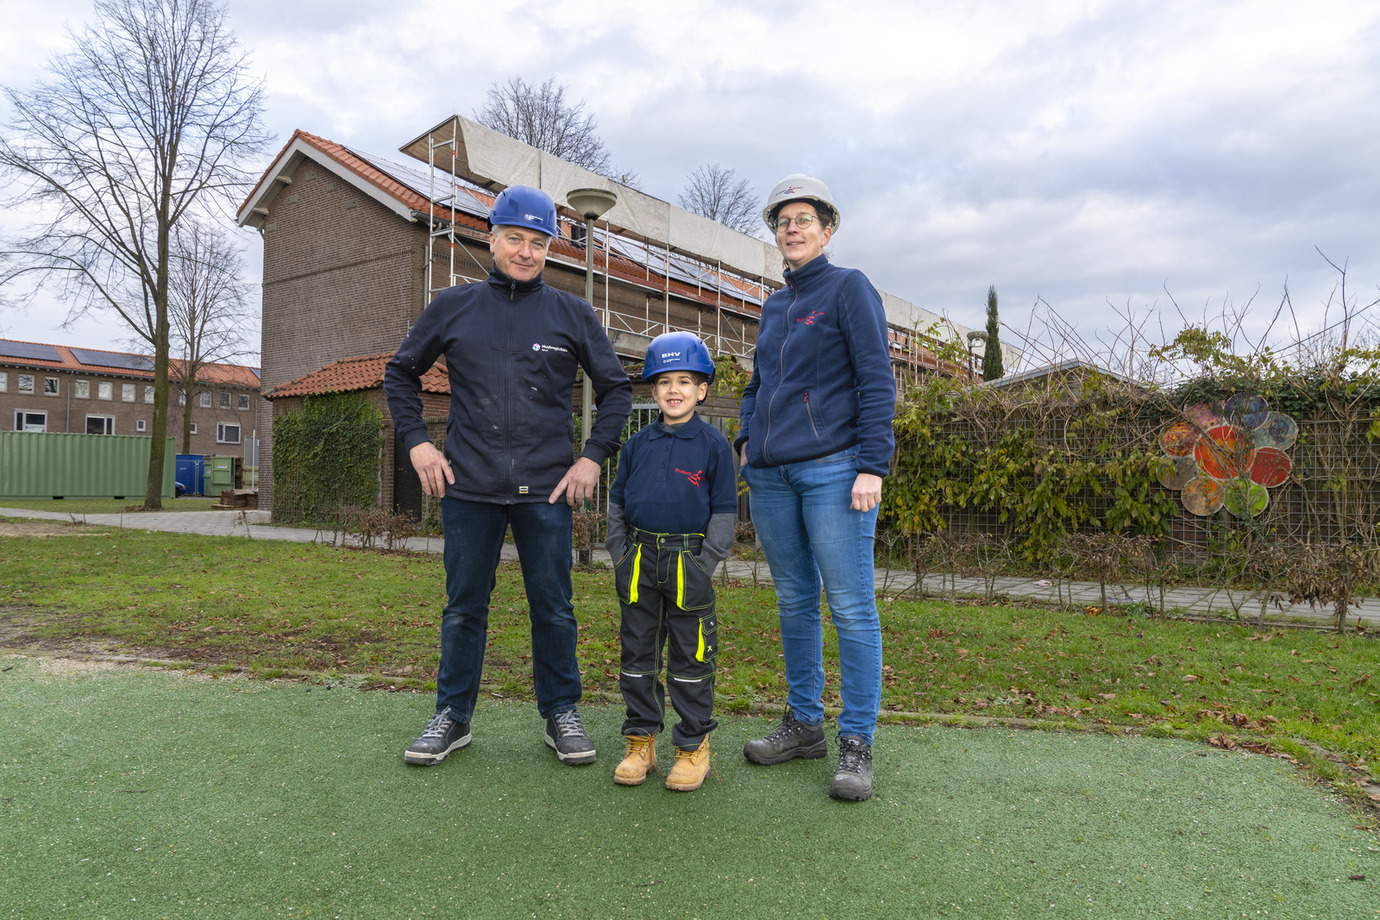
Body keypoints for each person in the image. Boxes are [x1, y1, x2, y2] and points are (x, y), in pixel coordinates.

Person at [383, 184, 633, 768]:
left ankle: (561, 714)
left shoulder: (571, 312)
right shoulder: (453, 306)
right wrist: (419, 443)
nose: (525, 251)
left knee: (554, 607)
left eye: (537, 242)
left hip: (547, 489)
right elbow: (400, 375)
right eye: (514, 238)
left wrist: (592, 456)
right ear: (491, 238)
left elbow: (617, 390)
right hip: (467, 485)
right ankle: (452, 716)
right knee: (464, 606)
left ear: (550, 247)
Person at [735, 174, 896, 801]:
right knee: (793, 601)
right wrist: (748, 442)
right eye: (783, 221)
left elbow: (875, 380)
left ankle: (857, 741)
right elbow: (757, 385)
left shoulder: (848, 287)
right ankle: (804, 725)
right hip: (772, 476)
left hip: (835, 468)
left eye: (804, 219)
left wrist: (872, 465)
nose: (792, 229)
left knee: (851, 606)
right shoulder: (775, 306)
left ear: (827, 230)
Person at [604, 332, 736, 792]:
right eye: (663, 382)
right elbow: (616, 501)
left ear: (702, 390)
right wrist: (619, 552)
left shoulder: (715, 445)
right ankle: (640, 742)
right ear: (653, 390)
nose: (674, 390)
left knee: (690, 658)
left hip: (688, 562)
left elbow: (724, 511)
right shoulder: (637, 443)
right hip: (638, 559)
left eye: (685, 380)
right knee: (637, 655)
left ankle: (692, 746)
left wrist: (706, 564)